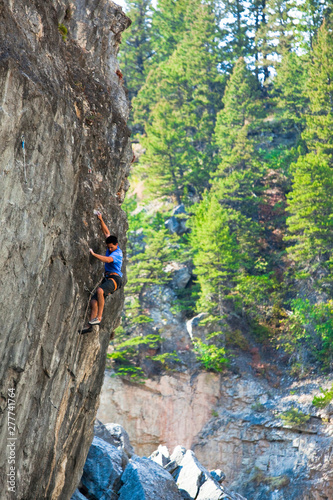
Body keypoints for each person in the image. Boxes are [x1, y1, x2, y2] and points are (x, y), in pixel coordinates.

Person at [83, 211, 123, 331]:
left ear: (116, 245)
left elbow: (107, 259)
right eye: (108, 247)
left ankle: (99, 318)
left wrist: (94, 254)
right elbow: (106, 232)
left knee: (100, 290)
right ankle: (90, 326)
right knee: (93, 301)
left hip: (115, 279)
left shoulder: (117, 253)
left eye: (112, 247)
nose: (110, 249)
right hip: (108, 277)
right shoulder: (110, 246)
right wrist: (100, 219)